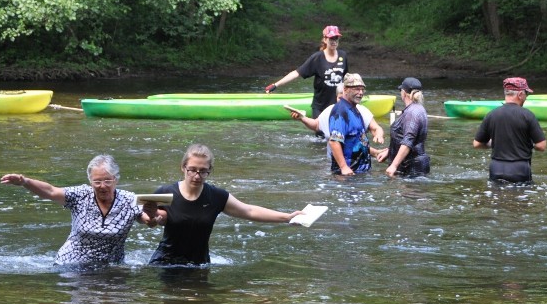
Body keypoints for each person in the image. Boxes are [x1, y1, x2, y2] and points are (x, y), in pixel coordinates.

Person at [146, 144, 304, 266]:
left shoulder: (216, 196)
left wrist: (287, 217)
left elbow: (248, 210)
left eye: (203, 171)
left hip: (199, 264)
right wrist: (152, 220)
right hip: (165, 263)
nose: (197, 176)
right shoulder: (166, 192)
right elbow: (144, 215)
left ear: (210, 170)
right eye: (192, 170)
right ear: (183, 167)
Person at [0, 154, 152, 267]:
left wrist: (154, 218)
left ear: (116, 180)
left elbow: (146, 218)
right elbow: (51, 192)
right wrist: (24, 182)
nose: (102, 186)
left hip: (110, 267)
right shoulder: (80, 195)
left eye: (107, 181)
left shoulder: (129, 199)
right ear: (90, 182)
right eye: (97, 181)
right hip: (72, 265)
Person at [472, 77, 547, 184]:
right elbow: (541, 146)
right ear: (520, 94)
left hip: (496, 168)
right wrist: (529, 144)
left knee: (497, 199)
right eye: (526, 94)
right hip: (520, 169)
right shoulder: (527, 115)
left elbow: (477, 144)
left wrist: (492, 143)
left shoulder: (491, 114)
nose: (526, 97)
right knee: (520, 199)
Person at [264, 25, 349, 117]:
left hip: (338, 106)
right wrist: (276, 85)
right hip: (320, 108)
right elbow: (297, 73)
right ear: (325, 39)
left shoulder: (343, 56)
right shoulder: (317, 58)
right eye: (331, 38)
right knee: (320, 132)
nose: (334, 41)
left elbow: (346, 78)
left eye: (336, 38)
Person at [289, 82, 385, 146]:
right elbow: (316, 125)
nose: (342, 101)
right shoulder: (329, 111)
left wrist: (378, 135)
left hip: (357, 155)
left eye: (344, 98)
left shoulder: (362, 111)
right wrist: (302, 118)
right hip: (336, 160)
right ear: (336, 97)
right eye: (340, 98)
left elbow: (376, 128)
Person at [375, 77, 430, 178]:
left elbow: (408, 142)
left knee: (409, 193)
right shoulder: (418, 109)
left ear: (404, 93)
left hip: (411, 167)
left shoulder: (412, 113)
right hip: (415, 164)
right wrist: (390, 151)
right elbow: (403, 137)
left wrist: (393, 165)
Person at [328, 73, 372, 175]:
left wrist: (374, 152)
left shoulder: (354, 109)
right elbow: (334, 141)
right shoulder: (340, 111)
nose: (360, 93)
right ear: (345, 89)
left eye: (362, 89)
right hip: (347, 174)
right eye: (356, 89)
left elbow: (357, 139)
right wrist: (343, 167)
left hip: (359, 172)